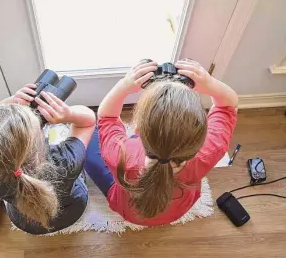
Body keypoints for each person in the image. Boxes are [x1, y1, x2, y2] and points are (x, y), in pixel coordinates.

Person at [85, 59, 238, 225]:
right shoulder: (210, 150)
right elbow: (227, 105)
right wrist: (210, 84)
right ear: (201, 136)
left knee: (88, 134)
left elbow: (107, 116)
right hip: (177, 211)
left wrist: (124, 86)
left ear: (137, 129)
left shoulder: (121, 153)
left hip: (128, 211)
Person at [0, 85, 96, 256]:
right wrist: (67, 115)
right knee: (64, 135)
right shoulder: (64, 162)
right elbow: (87, 122)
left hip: (23, 220)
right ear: (41, 146)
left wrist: (9, 104)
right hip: (69, 213)